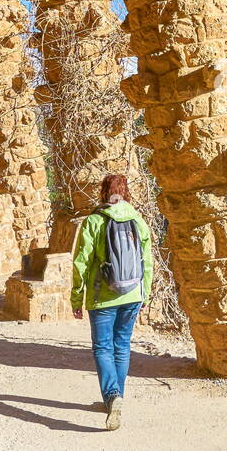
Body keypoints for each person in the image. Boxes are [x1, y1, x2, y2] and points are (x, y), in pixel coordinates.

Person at [71, 174, 153, 431]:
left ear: (103, 193)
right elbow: (147, 262)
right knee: (122, 345)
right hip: (133, 295)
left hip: (102, 296)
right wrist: (145, 293)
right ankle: (117, 396)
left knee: (103, 348)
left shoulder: (94, 221)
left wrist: (76, 295)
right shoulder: (138, 221)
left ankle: (112, 396)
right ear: (126, 193)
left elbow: (80, 262)